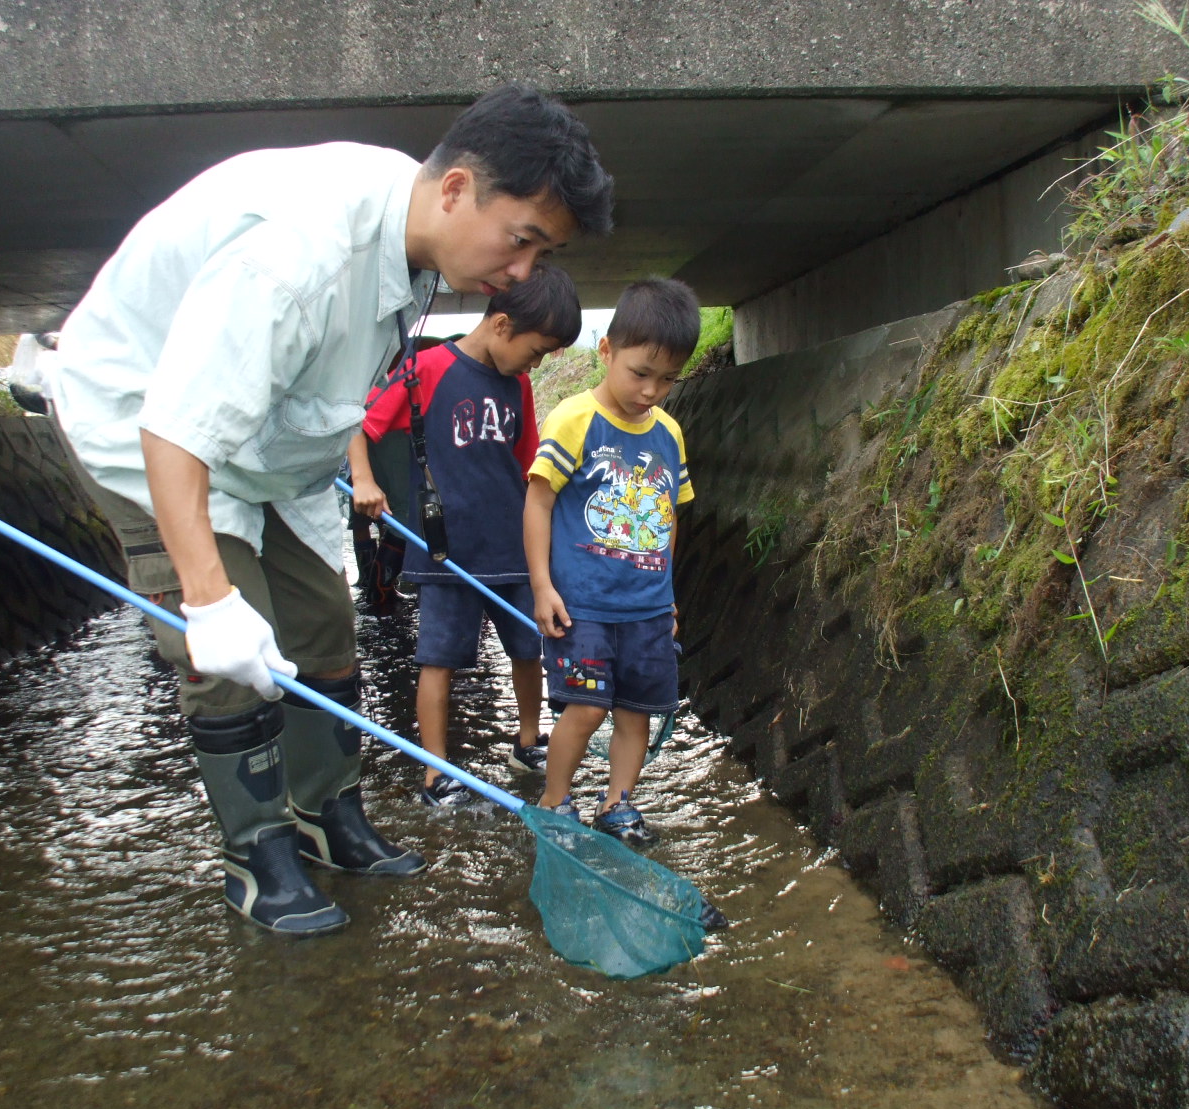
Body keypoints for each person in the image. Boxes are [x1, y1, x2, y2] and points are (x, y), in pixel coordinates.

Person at [48, 85, 613, 935]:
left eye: (543, 253)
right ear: (458, 189)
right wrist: (206, 601)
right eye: (523, 241)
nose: (523, 272)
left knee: (320, 632)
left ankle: (326, 815)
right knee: (230, 658)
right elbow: (175, 428)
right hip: (150, 426)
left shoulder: (411, 222)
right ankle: (258, 852)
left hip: (273, 446)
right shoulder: (299, 255)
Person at [348, 266, 581, 805]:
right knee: (438, 660)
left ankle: (529, 741)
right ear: (502, 325)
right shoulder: (425, 369)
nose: (537, 363)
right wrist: (364, 479)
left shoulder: (517, 384)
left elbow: (530, 467)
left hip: (513, 548)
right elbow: (361, 428)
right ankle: (435, 772)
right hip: (444, 552)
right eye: (537, 350)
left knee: (529, 648)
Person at [523, 278, 700, 845]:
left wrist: (668, 597)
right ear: (606, 350)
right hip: (583, 607)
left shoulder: (670, 434)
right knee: (585, 709)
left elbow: (669, 520)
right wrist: (542, 587)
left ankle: (617, 802)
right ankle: (554, 800)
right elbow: (539, 501)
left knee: (636, 711)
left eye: (668, 379)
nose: (652, 390)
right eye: (640, 373)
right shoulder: (574, 420)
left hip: (647, 608)